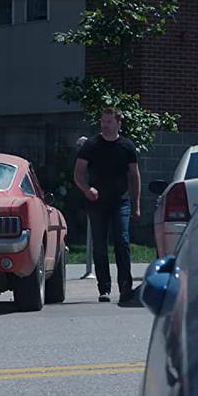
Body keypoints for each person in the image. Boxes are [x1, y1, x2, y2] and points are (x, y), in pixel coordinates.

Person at [74, 108, 141, 303]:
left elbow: (134, 176)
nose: (105, 125)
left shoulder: (127, 146)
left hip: (121, 201)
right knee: (100, 245)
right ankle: (104, 288)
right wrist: (86, 189)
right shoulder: (91, 145)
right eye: (103, 121)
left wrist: (136, 204)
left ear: (118, 123)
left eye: (109, 122)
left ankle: (126, 288)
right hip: (97, 202)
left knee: (122, 241)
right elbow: (78, 173)